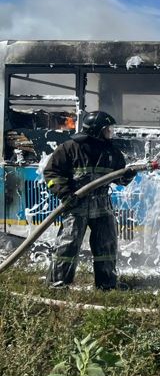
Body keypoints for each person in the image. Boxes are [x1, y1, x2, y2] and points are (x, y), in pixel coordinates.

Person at [43, 111, 136, 290]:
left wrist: (128, 175)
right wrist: (64, 193)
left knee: (106, 245)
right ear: (96, 130)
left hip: (102, 205)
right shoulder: (69, 148)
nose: (111, 132)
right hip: (76, 204)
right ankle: (58, 284)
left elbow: (119, 179)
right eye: (108, 129)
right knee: (68, 246)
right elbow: (52, 173)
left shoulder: (111, 152)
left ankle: (107, 285)